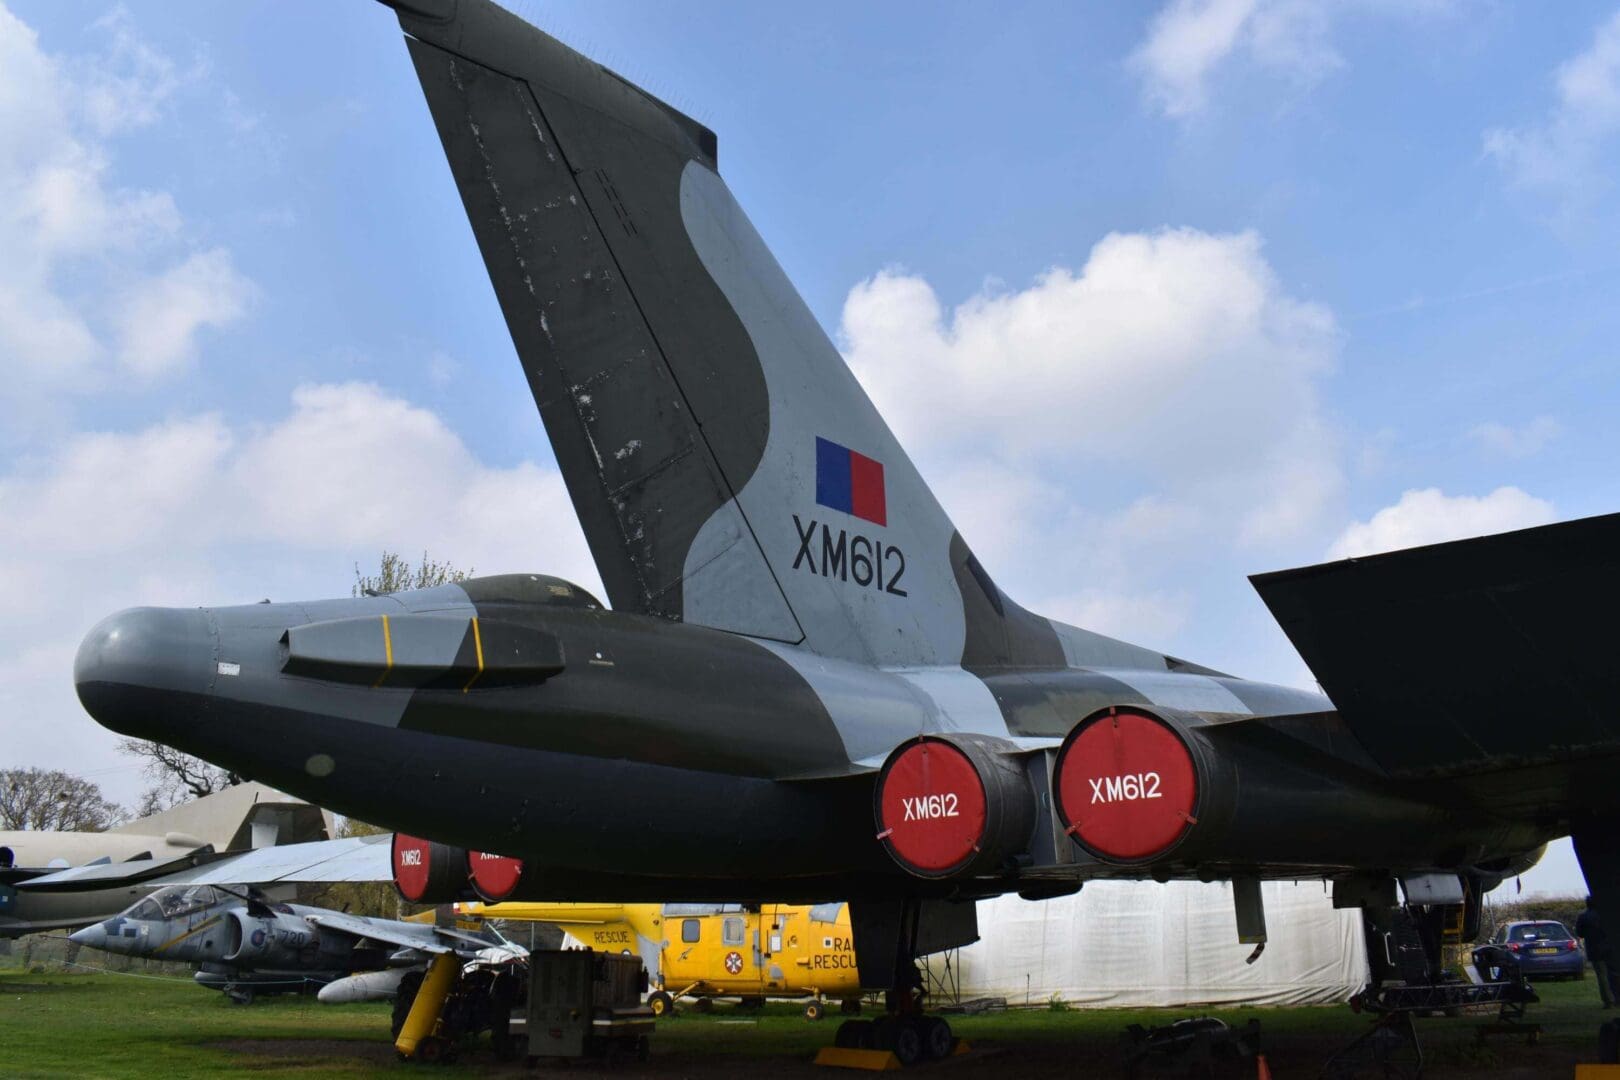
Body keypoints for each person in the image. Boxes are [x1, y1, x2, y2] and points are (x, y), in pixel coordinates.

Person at [1577, 896, 1615, 1008]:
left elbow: (1580, 933)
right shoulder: (1607, 915)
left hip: (1594, 949)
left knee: (1602, 976)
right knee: (1615, 973)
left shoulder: (1583, 917)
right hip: (1610, 947)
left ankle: (1608, 1001)